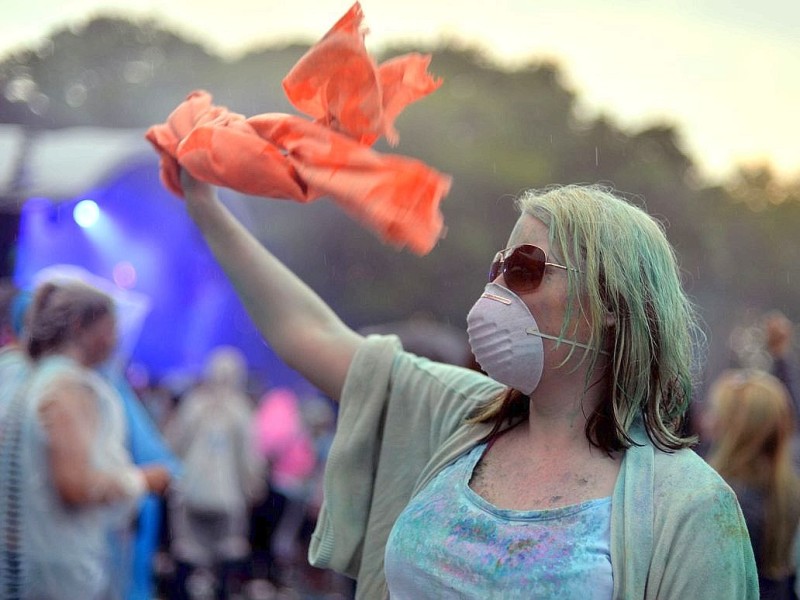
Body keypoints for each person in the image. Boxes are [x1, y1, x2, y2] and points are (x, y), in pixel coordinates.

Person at [177, 171, 757, 599]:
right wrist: (205, 205)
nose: (499, 289)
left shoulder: (691, 507)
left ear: (611, 302)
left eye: (526, 268)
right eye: (498, 267)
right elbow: (308, 331)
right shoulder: (458, 415)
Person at [0, 280, 171, 599]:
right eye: (110, 328)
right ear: (81, 327)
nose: (115, 340)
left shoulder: (31, 377)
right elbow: (75, 486)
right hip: (56, 568)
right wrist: (143, 479)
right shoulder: (67, 387)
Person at [165, 345, 265, 600]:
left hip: (190, 494)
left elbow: (175, 446)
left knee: (188, 555)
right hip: (229, 497)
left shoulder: (193, 404)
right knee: (226, 556)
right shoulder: (242, 410)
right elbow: (249, 458)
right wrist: (253, 486)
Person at [704, 369, 800, 599]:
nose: (707, 419)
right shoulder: (790, 491)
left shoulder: (722, 497)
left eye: (714, 412)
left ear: (735, 428)